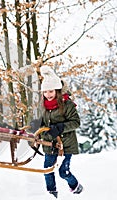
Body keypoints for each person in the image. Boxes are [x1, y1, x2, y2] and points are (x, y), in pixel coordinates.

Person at [39, 66, 83, 198]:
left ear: (57, 90)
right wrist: (43, 134)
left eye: (51, 91)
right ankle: (51, 193)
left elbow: (76, 122)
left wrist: (60, 127)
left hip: (66, 144)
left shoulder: (67, 104)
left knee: (63, 172)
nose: (48, 94)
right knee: (47, 170)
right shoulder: (42, 107)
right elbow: (40, 125)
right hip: (49, 144)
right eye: (45, 92)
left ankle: (75, 186)